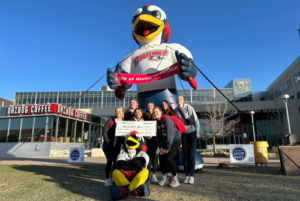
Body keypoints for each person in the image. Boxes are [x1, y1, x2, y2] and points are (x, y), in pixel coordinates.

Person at [153, 107, 182, 188]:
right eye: (154, 112)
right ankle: (164, 177)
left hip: (175, 140)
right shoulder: (156, 122)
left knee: (169, 157)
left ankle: (175, 179)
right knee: (161, 157)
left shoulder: (166, 119)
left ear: (161, 112)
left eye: (157, 111)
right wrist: (161, 148)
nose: (155, 113)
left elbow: (170, 134)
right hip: (166, 142)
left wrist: (167, 149)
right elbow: (157, 137)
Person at [175, 96, 200, 185]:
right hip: (183, 134)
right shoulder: (175, 110)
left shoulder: (189, 107)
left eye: (180, 99)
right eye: (177, 99)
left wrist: (197, 132)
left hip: (192, 132)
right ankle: (186, 175)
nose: (179, 100)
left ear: (183, 100)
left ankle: (192, 176)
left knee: (191, 154)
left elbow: (196, 120)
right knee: (185, 154)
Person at [103, 106, 124, 187]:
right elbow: (104, 131)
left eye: (119, 111)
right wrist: (108, 141)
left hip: (116, 146)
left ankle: (112, 179)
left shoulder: (123, 122)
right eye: (116, 111)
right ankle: (107, 179)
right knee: (110, 161)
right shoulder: (111, 120)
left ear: (122, 113)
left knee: (115, 162)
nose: (118, 112)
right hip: (108, 146)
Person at [161, 100, 179, 176]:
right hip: (166, 137)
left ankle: (175, 173)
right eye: (162, 104)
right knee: (167, 157)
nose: (164, 105)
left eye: (165, 104)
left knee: (173, 156)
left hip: (174, 136)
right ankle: (168, 173)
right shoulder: (161, 114)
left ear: (168, 104)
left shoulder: (173, 113)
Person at [143, 102, 158, 183]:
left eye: (151, 106)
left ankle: (154, 175)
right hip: (147, 139)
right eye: (148, 106)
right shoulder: (144, 115)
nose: (149, 107)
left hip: (154, 139)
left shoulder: (156, 115)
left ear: (153, 107)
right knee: (148, 157)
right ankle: (148, 175)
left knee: (154, 157)